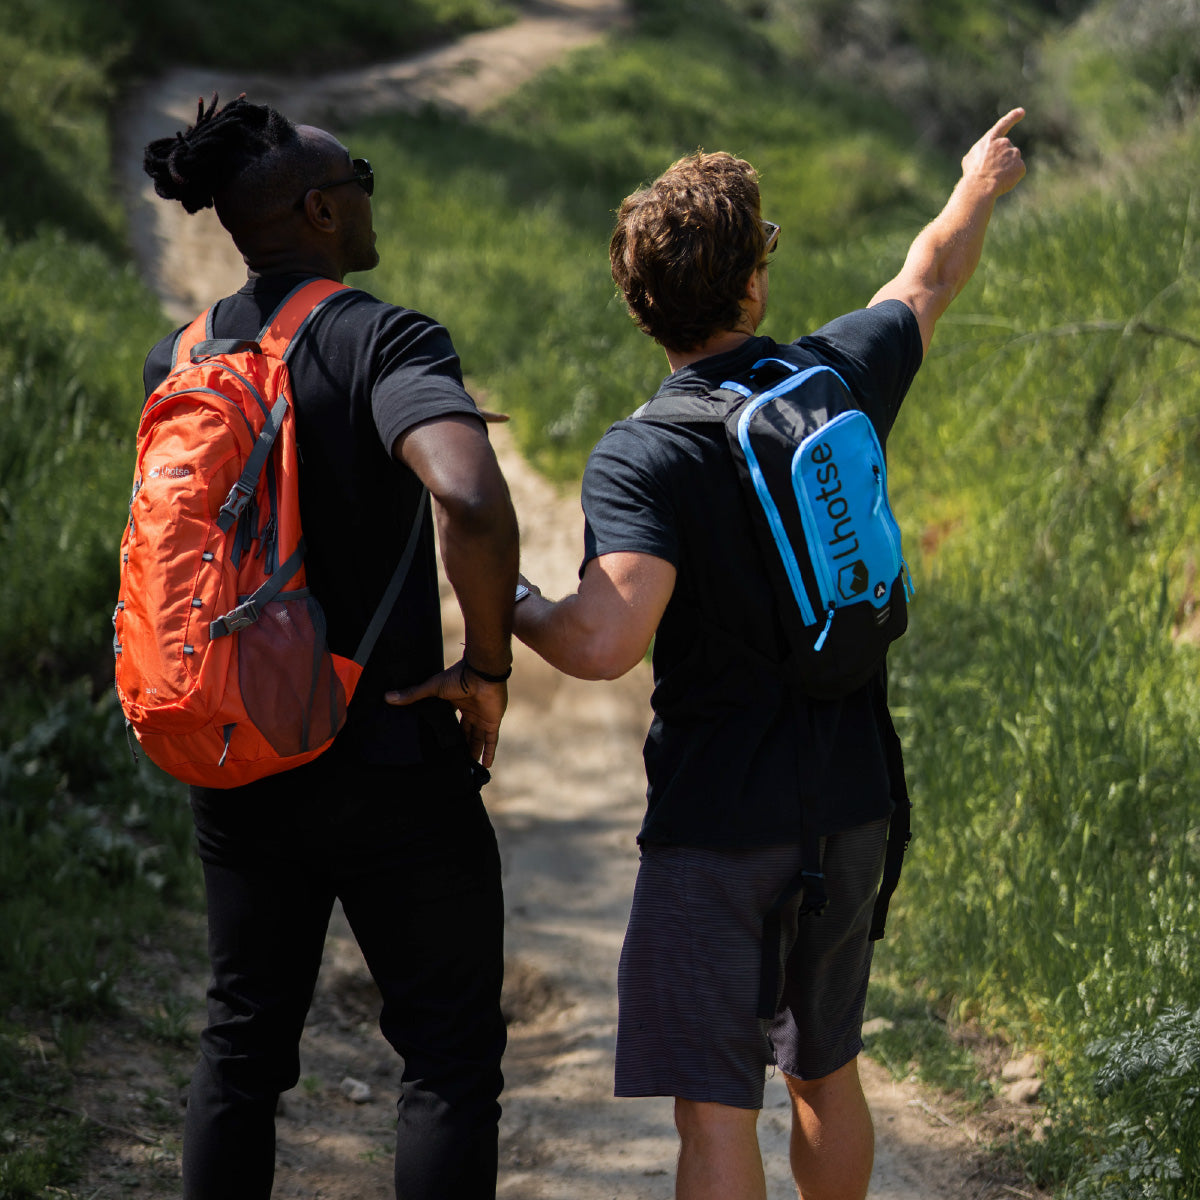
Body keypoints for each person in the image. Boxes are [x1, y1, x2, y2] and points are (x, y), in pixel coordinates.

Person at [508, 110, 1027, 1198]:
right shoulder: (831, 381)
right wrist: (977, 184)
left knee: (716, 1113)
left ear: (644, 306)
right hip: (850, 804)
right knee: (827, 1072)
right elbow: (926, 278)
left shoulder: (645, 453)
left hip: (716, 824)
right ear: (750, 286)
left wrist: (508, 601)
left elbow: (605, 639)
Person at [140, 94, 520, 1200]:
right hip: (391, 757)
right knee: (447, 1058)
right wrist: (486, 666)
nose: (366, 195)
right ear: (317, 210)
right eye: (358, 177)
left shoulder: (181, 354)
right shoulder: (383, 338)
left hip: (237, 755)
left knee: (242, 1045)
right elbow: (471, 496)